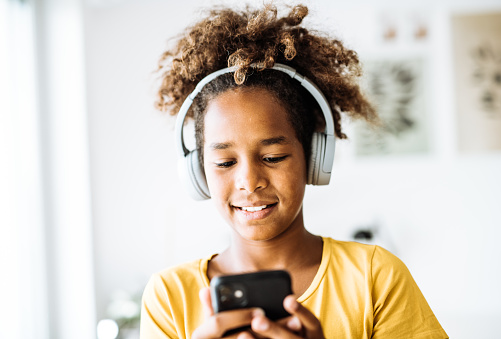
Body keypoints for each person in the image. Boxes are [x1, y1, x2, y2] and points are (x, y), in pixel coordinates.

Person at [141, 3, 448, 339]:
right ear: (198, 172)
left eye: (273, 157)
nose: (249, 182)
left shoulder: (375, 276)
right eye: (226, 162)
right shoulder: (169, 297)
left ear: (314, 157)